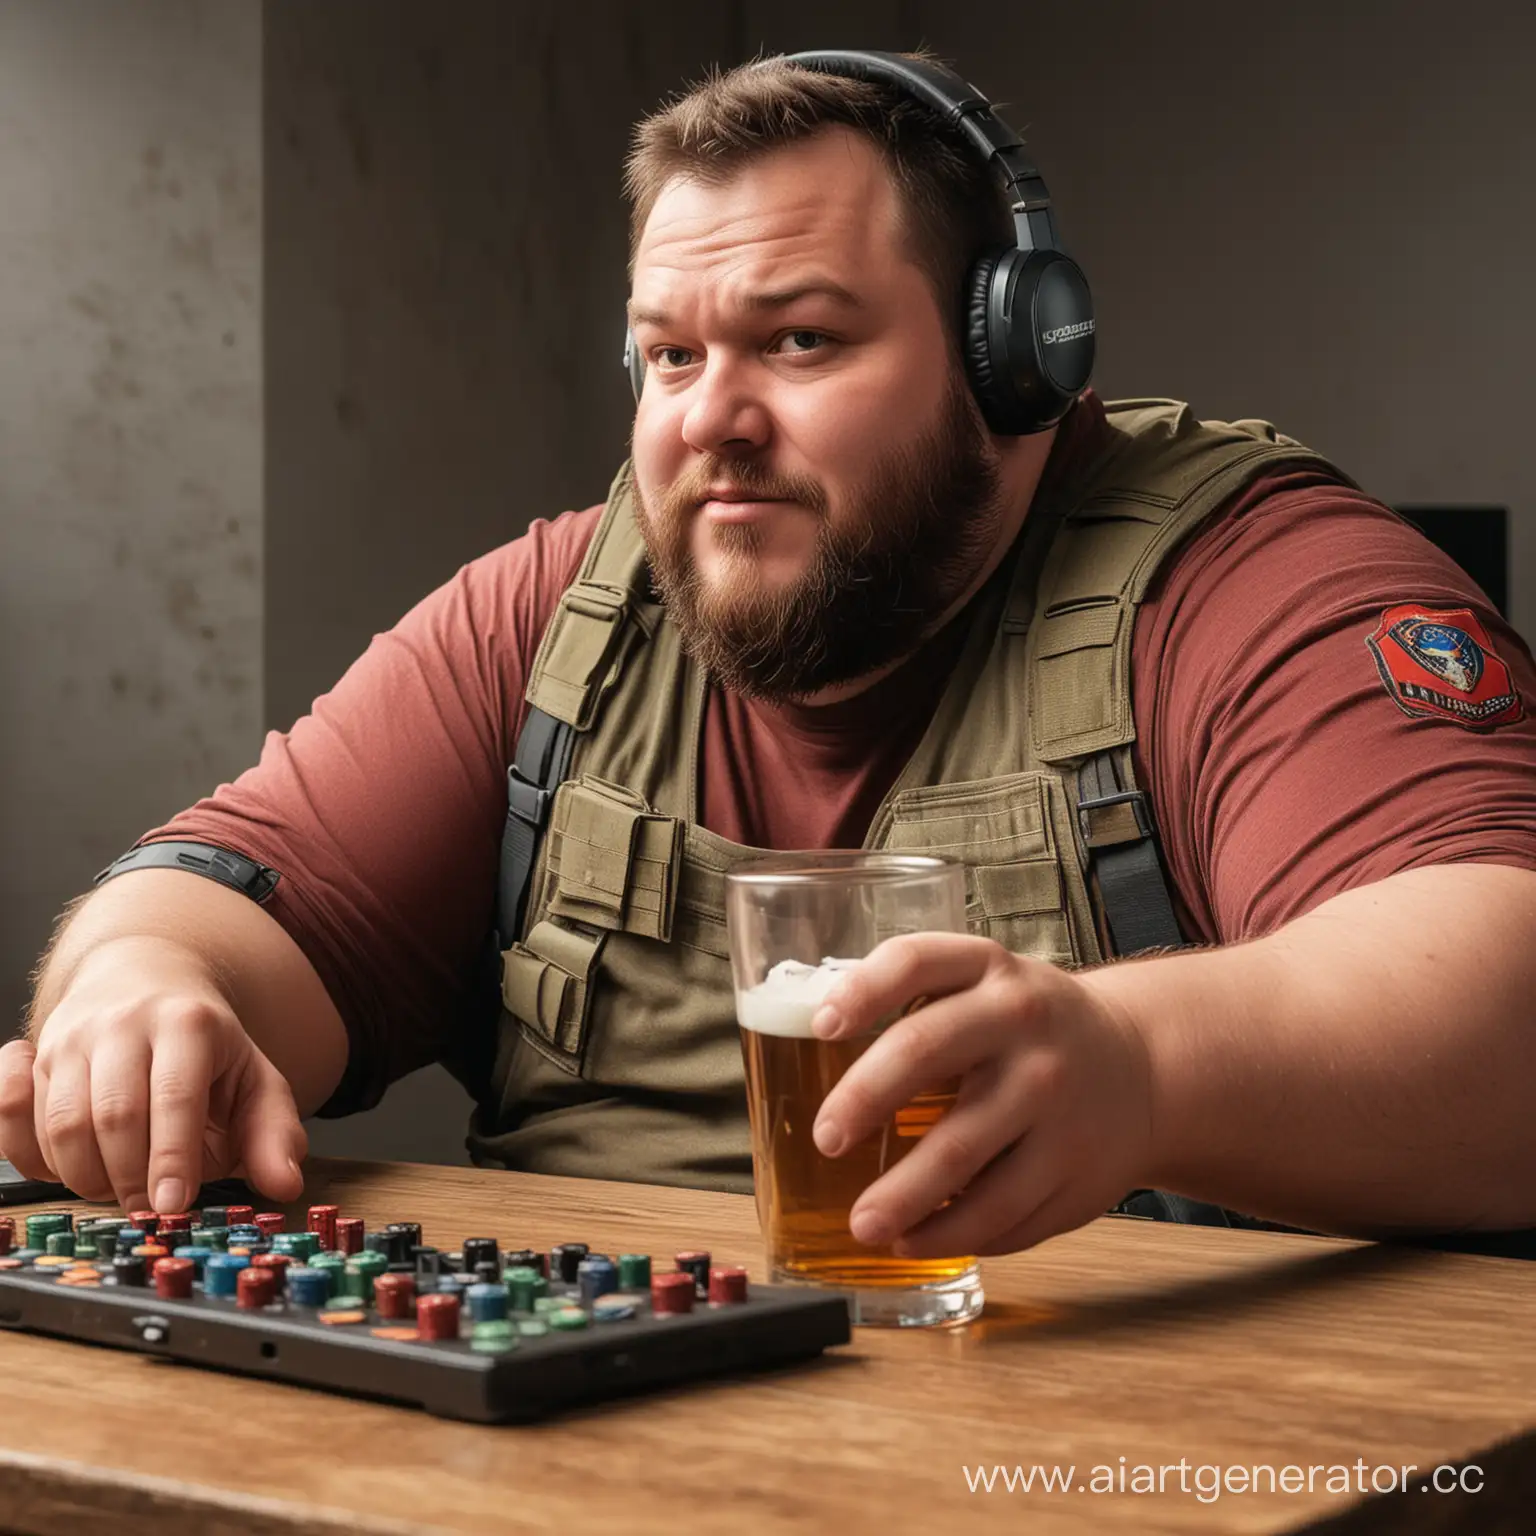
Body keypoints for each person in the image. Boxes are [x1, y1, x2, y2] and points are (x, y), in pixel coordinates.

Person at [5, 50, 1536, 1262]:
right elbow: (221, 895)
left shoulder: (1251, 584)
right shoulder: (555, 619)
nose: (708, 422)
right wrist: (145, 988)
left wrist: (1139, 1072)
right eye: (670, 353)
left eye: (799, 341)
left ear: (1019, 363)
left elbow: (1505, 1000)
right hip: (566, 1451)